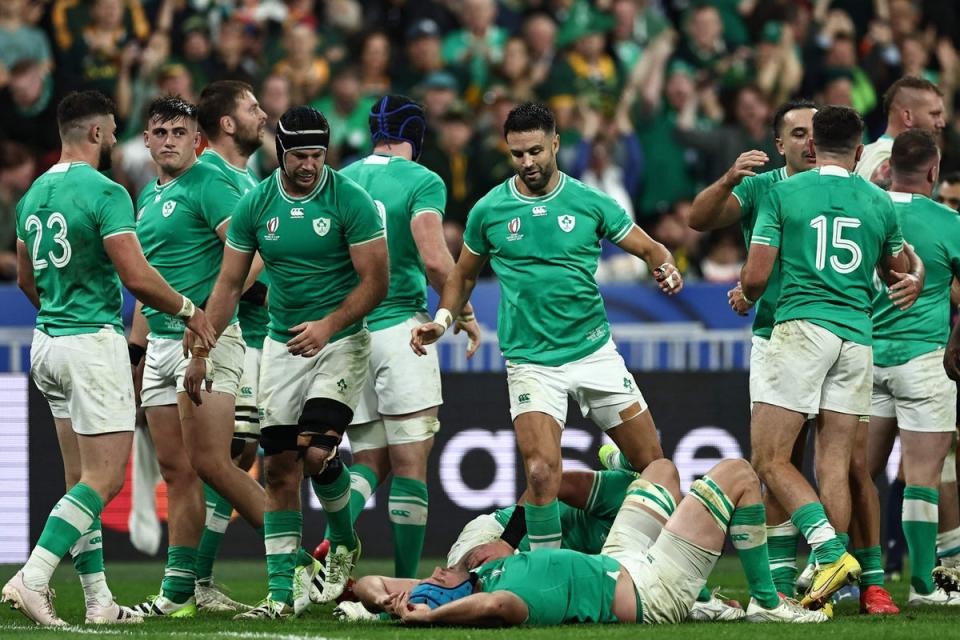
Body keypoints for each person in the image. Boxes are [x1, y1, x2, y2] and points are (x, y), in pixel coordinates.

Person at [411, 102, 680, 556]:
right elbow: (464, 274)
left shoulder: (589, 201)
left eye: (535, 150)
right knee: (540, 473)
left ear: (556, 143)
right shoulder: (489, 209)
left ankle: (626, 499)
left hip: (594, 354)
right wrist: (442, 319)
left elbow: (651, 248)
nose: (528, 162)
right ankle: (547, 568)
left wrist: (665, 267)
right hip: (531, 362)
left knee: (653, 466)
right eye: (518, 154)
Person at [1, 89, 215, 626]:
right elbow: (137, 277)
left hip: (46, 343)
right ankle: (32, 576)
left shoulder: (32, 194)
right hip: (91, 345)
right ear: (97, 133)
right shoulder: (109, 192)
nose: (117, 139)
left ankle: (98, 601)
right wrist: (191, 309)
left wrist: (56, 312)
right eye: (115, 130)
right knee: (105, 480)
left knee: (81, 481)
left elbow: (26, 277)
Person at [183, 105, 388, 619]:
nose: (309, 165)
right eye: (299, 155)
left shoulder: (352, 201)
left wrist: (328, 326)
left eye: (318, 154)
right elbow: (230, 284)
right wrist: (203, 350)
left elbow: (376, 283)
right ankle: (280, 597)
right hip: (279, 346)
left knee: (315, 455)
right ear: (280, 150)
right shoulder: (256, 205)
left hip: (340, 341)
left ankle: (341, 544)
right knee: (278, 469)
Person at [738, 105, 915, 610]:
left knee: (769, 458)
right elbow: (899, 270)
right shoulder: (878, 201)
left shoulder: (783, 192)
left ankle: (832, 553)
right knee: (834, 464)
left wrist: (746, 295)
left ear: (812, 146)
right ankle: (829, 586)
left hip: (801, 330)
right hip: (858, 338)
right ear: (860, 151)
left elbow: (754, 278)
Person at [318, 95, 481, 586]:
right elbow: (434, 259)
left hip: (349, 332)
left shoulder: (338, 178)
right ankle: (405, 584)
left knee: (368, 460)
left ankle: (333, 553)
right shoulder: (422, 180)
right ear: (417, 135)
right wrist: (464, 310)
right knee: (409, 464)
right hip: (400, 330)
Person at [352, 458, 827, 626]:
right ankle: (766, 602)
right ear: (453, 596)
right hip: (650, 589)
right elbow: (492, 608)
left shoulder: (478, 573)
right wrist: (432, 615)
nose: (434, 572)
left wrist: (391, 601)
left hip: (615, 562)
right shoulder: (504, 599)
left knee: (660, 470)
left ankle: (702, 600)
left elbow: (366, 582)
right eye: (436, 582)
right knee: (740, 474)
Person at [128, 95, 253, 618]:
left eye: (180, 131)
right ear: (147, 140)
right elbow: (147, 284)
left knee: (213, 464)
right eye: (161, 132)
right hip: (159, 343)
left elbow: (249, 259)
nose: (170, 140)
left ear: (197, 138)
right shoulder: (147, 197)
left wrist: (207, 330)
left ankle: (297, 562)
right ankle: (177, 594)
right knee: (178, 473)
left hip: (206, 340)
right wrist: (135, 356)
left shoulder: (209, 182)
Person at [868, 129, 960, 605]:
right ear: (933, 169)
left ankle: (853, 577)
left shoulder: (867, 210)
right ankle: (926, 585)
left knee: (856, 475)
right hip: (925, 359)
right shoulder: (949, 222)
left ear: (887, 168)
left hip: (865, 360)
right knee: (922, 476)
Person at [190, 79, 269, 612]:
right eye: (252, 106)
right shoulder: (215, 179)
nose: (263, 113)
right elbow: (238, 263)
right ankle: (304, 560)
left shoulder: (248, 177)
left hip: (258, 332)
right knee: (229, 455)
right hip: (235, 335)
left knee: (237, 456)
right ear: (227, 123)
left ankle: (196, 578)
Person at [854, 76, 946, 187]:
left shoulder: (864, 153)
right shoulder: (893, 162)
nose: (942, 123)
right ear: (908, 116)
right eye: (934, 114)